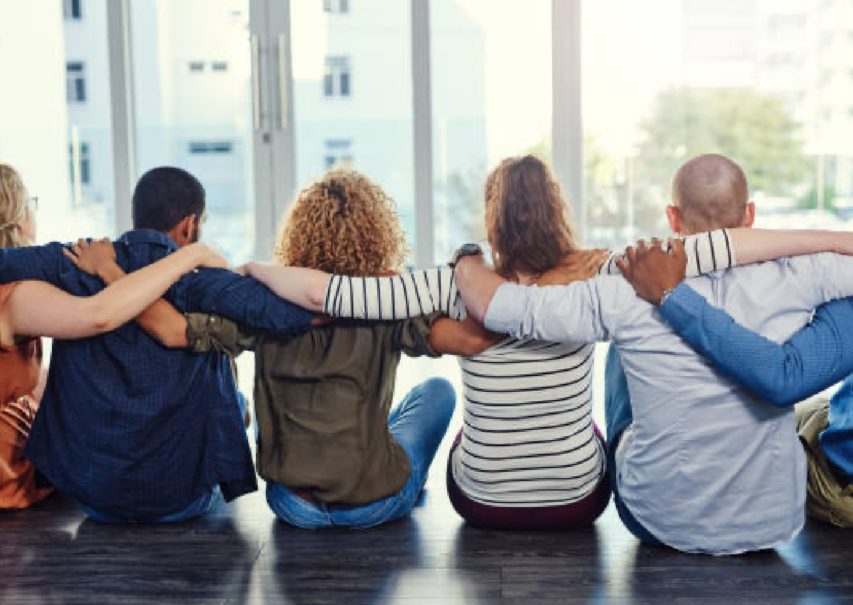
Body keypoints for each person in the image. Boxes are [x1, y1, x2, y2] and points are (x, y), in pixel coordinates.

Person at [230, 156, 824, 531]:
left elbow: (330, 295)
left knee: (457, 412)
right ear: (556, 212)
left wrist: (250, 271)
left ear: (492, 220)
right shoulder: (606, 274)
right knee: (624, 349)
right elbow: (715, 249)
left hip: (481, 505)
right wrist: (835, 241)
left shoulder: (452, 284)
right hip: (576, 503)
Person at [452, 153, 853, 554]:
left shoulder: (624, 288)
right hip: (772, 523)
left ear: (673, 218)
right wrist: (827, 244)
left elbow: (500, 309)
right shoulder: (809, 273)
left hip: (657, 521)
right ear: (750, 214)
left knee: (620, 351)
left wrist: (466, 259)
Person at [73, 169, 458, 529]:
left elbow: (172, 330)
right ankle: (393, 472)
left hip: (293, 507)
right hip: (373, 506)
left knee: (256, 404)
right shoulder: (386, 299)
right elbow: (457, 334)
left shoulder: (262, 302)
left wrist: (111, 272)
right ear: (379, 234)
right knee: (437, 392)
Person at [0, 166, 314, 523]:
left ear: (136, 218)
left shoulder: (75, 261)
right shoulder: (204, 280)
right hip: (180, 501)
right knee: (221, 361)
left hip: (94, 499)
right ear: (190, 226)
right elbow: (288, 313)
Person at [614, 230, 853, 528]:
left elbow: (782, 379)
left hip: (841, 480)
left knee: (629, 331)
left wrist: (670, 295)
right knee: (799, 405)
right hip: (829, 424)